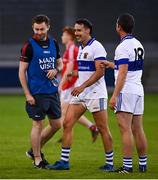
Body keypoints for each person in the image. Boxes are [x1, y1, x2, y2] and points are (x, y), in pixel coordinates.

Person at [46, 19, 114, 171]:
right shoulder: (82, 48)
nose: (76, 33)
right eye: (75, 30)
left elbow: (100, 72)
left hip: (95, 94)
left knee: (103, 129)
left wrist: (82, 85)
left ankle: (109, 163)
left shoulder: (97, 47)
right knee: (67, 123)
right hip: (81, 93)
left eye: (79, 30)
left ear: (88, 30)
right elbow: (85, 71)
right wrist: (74, 73)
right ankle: (64, 161)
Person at [102, 13, 147, 173]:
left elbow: (123, 74)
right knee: (138, 129)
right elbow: (129, 67)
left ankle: (127, 167)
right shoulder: (138, 44)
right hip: (138, 90)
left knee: (125, 129)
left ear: (119, 27)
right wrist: (111, 64)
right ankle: (143, 165)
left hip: (126, 91)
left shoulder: (122, 47)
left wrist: (114, 96)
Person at [19, 14, 62, 169]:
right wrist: (27, 94)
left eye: (42, 29)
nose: (39, 32)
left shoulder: (54, 43)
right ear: (33, 27)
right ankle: (38, 159)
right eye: (36, 29)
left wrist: (56, 69)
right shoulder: (28, 46)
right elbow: (21, 72)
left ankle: (33, 150)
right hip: (36, 93)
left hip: (52, 91)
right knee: (37, 124)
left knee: (57, 124)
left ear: (48, 27)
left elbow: (60, 63)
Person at [59, 26, 99, 143]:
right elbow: (67, 66)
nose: (62, 37)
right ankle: (92, 127)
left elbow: (70, 69)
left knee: (65, 111)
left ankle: (66, 134)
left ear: (69, 36)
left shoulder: (72, 48)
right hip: (70, 84)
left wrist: (61, 84)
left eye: (64, 34)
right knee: (68, 112)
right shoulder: (69, 49)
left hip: (71, 85)